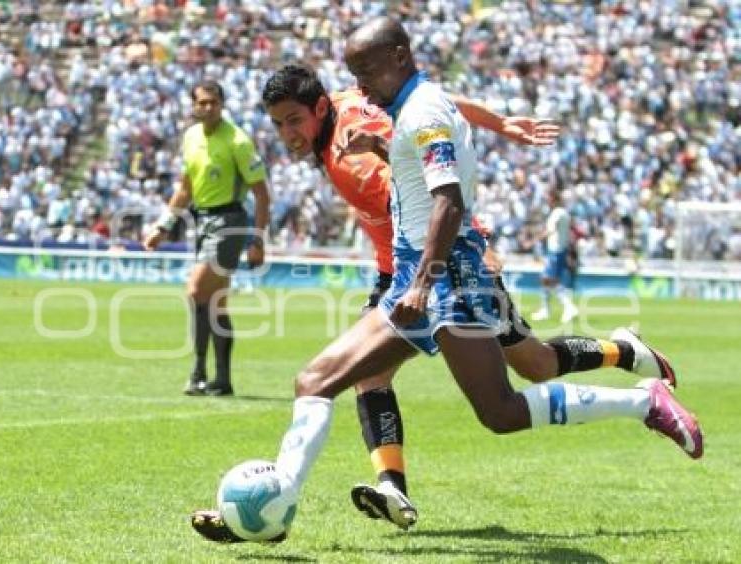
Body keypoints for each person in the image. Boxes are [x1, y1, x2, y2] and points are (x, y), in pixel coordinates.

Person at [190, 18, 703, 544]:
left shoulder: (380, 134)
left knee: (508, 402)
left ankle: (645, 399)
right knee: (317, 380)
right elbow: (430, 127)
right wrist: (499, 123)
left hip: (447, 275)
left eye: (292, 121)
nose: (286, 135)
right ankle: (283, 503)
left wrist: (426, 276)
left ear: (394, 61)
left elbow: (445, 196)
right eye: (277, 125)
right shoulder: (387, 102)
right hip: (415, 275)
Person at [144, 80, 270, 397]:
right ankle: (223, 379)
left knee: (196, 291)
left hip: (229, 223)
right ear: (193, 106)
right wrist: (162, 225)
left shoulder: (238, 141)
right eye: (201, 103)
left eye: (213, 102)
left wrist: (257, 239)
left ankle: (198, 373)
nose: (207, 108)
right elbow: (184, 189)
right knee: (216, 303)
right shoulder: (190, 138)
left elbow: (261, 194)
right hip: (201, 222)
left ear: (222, 104)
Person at [532, 189, 580, 322]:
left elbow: (550, 230)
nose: (547, 201)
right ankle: (546, 309)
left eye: (548, 198)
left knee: (548, 279)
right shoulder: (564, 213)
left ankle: (568, 307)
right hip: (560, 250)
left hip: (556, 251)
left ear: (553, 199)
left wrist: (535, 239)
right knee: (547, 280)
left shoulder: (557, 213)